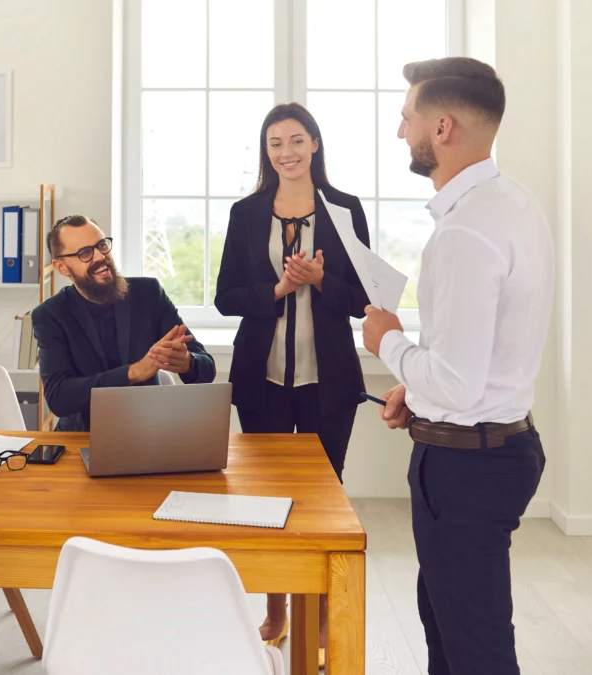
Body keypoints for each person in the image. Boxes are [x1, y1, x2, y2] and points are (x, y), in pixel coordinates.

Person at [362, 57, 553, 675]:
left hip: (467, 465)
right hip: (480, 447)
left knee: (476, 648)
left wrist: (386, 342)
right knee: (445, 622)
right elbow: (473, 363)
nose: (401, 132)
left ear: (441, 127)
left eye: (407, 117)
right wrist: (416, 399)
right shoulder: (512, 204)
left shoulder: (466, 232)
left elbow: (459, 382)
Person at [214, 102, 371, 660]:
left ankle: (325, 611)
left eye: (297, 140)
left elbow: (364, 300)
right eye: (276, 143)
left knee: (323, 499)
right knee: (266, 497)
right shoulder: (246, 212)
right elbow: (226, 296)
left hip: (329, 382)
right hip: (262, 380)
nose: (287, 152)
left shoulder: (347, 210)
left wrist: (323, 279)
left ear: (316, 145)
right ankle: (276, 606)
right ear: (267, 151)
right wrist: (278, 290)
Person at [32, 215, 216, 432]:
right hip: (83, 435)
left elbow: (207, 368)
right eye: (85, 253)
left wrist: (187, 362)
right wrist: (132, 373)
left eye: (102, 245)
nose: (100, 256)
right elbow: (59, 397)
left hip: (149, 430)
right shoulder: (51, 315)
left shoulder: (148, 294)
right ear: (62, 267)